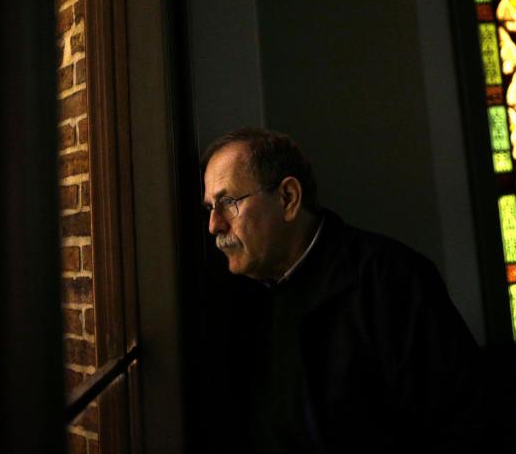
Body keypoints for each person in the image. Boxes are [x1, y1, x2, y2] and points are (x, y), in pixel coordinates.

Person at [200, 128, 489, 453]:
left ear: (288, 199)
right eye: (211, 206)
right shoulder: (235, 305)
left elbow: (464, 424)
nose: (214, 225)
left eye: (227, 202)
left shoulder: (392, 279)